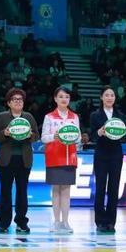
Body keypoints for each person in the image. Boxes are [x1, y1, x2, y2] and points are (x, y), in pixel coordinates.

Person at [0, 88, 39, 233]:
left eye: (20, 99)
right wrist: (4, 133)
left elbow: (36, 136)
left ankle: (21, 221)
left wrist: (30, 135)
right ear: (9, 103)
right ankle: (4, 222)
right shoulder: (1, 117)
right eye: (14, 99)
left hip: (24, 159)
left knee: (22, 191)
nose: (18, 102)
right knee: (5, 191)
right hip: (6, 159)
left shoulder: (29, 117)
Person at [41, 86, 81, 234]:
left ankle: (66, 222)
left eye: (67, 97)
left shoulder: (74, 117)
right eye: (61, 96)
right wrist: (55, 136)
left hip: (69, 158)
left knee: (66, 191)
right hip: (54, 157)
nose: (64, 99)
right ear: (55, 99)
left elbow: (78, 138)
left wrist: (75, 138)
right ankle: (56, 222)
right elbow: (44, 138)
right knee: (56, 190)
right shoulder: (49, 117)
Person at [89, 86, 126, 234]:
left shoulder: (120, 115)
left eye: (112, 95)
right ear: (101, 97)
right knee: (100, 188)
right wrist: (99, 132)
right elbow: (92, 136)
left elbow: (124, 136)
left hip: (116, 154)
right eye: (107, 95)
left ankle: (111, 221)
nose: (110, 98)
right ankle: (100, 221)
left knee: (113, 188)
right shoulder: (95, 115)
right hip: (101, 154)